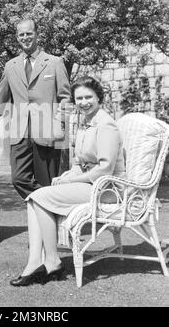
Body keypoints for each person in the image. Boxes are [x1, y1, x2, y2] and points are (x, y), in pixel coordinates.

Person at [10, 76, 126, 286]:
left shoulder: (106, 125)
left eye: (88, 97)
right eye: (79, 98)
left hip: (107, 190)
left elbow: (104, 169)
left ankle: (52, 260)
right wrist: (66, 176)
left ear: (99, 97)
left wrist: (71, 181)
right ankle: (36, 261)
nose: (83, 102)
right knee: (34, 197)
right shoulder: (85, 123)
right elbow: (79, 162)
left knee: (38, 196)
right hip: (89, 184)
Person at [0, 19, 71, 199]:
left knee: (48, 179)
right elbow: (0, 101)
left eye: (29, 33)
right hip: (20, 132)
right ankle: (47, 201)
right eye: (21, 34)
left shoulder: (54, 62)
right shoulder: (10, 66)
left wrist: (59, 124)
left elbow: (65, 98)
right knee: (18, 178)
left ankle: (48, 222)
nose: (25, 37)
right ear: (17, 38)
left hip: (48, 130)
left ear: (37, 34)